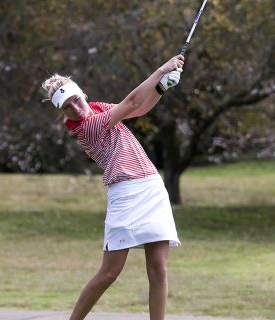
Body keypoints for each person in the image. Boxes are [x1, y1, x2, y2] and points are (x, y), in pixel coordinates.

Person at [41, 55, 184, 320]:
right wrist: (161, 70)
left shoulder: (98, 109)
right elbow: (131, 101)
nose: (76, 108)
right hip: (126, 194)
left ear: (83, 94)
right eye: (68, 107)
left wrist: (162, 89)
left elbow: (138, 109)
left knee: (159, 269)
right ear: (63, 113)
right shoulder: (87, 127)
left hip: (152, 188)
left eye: (76, 100)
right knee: (109, 272)